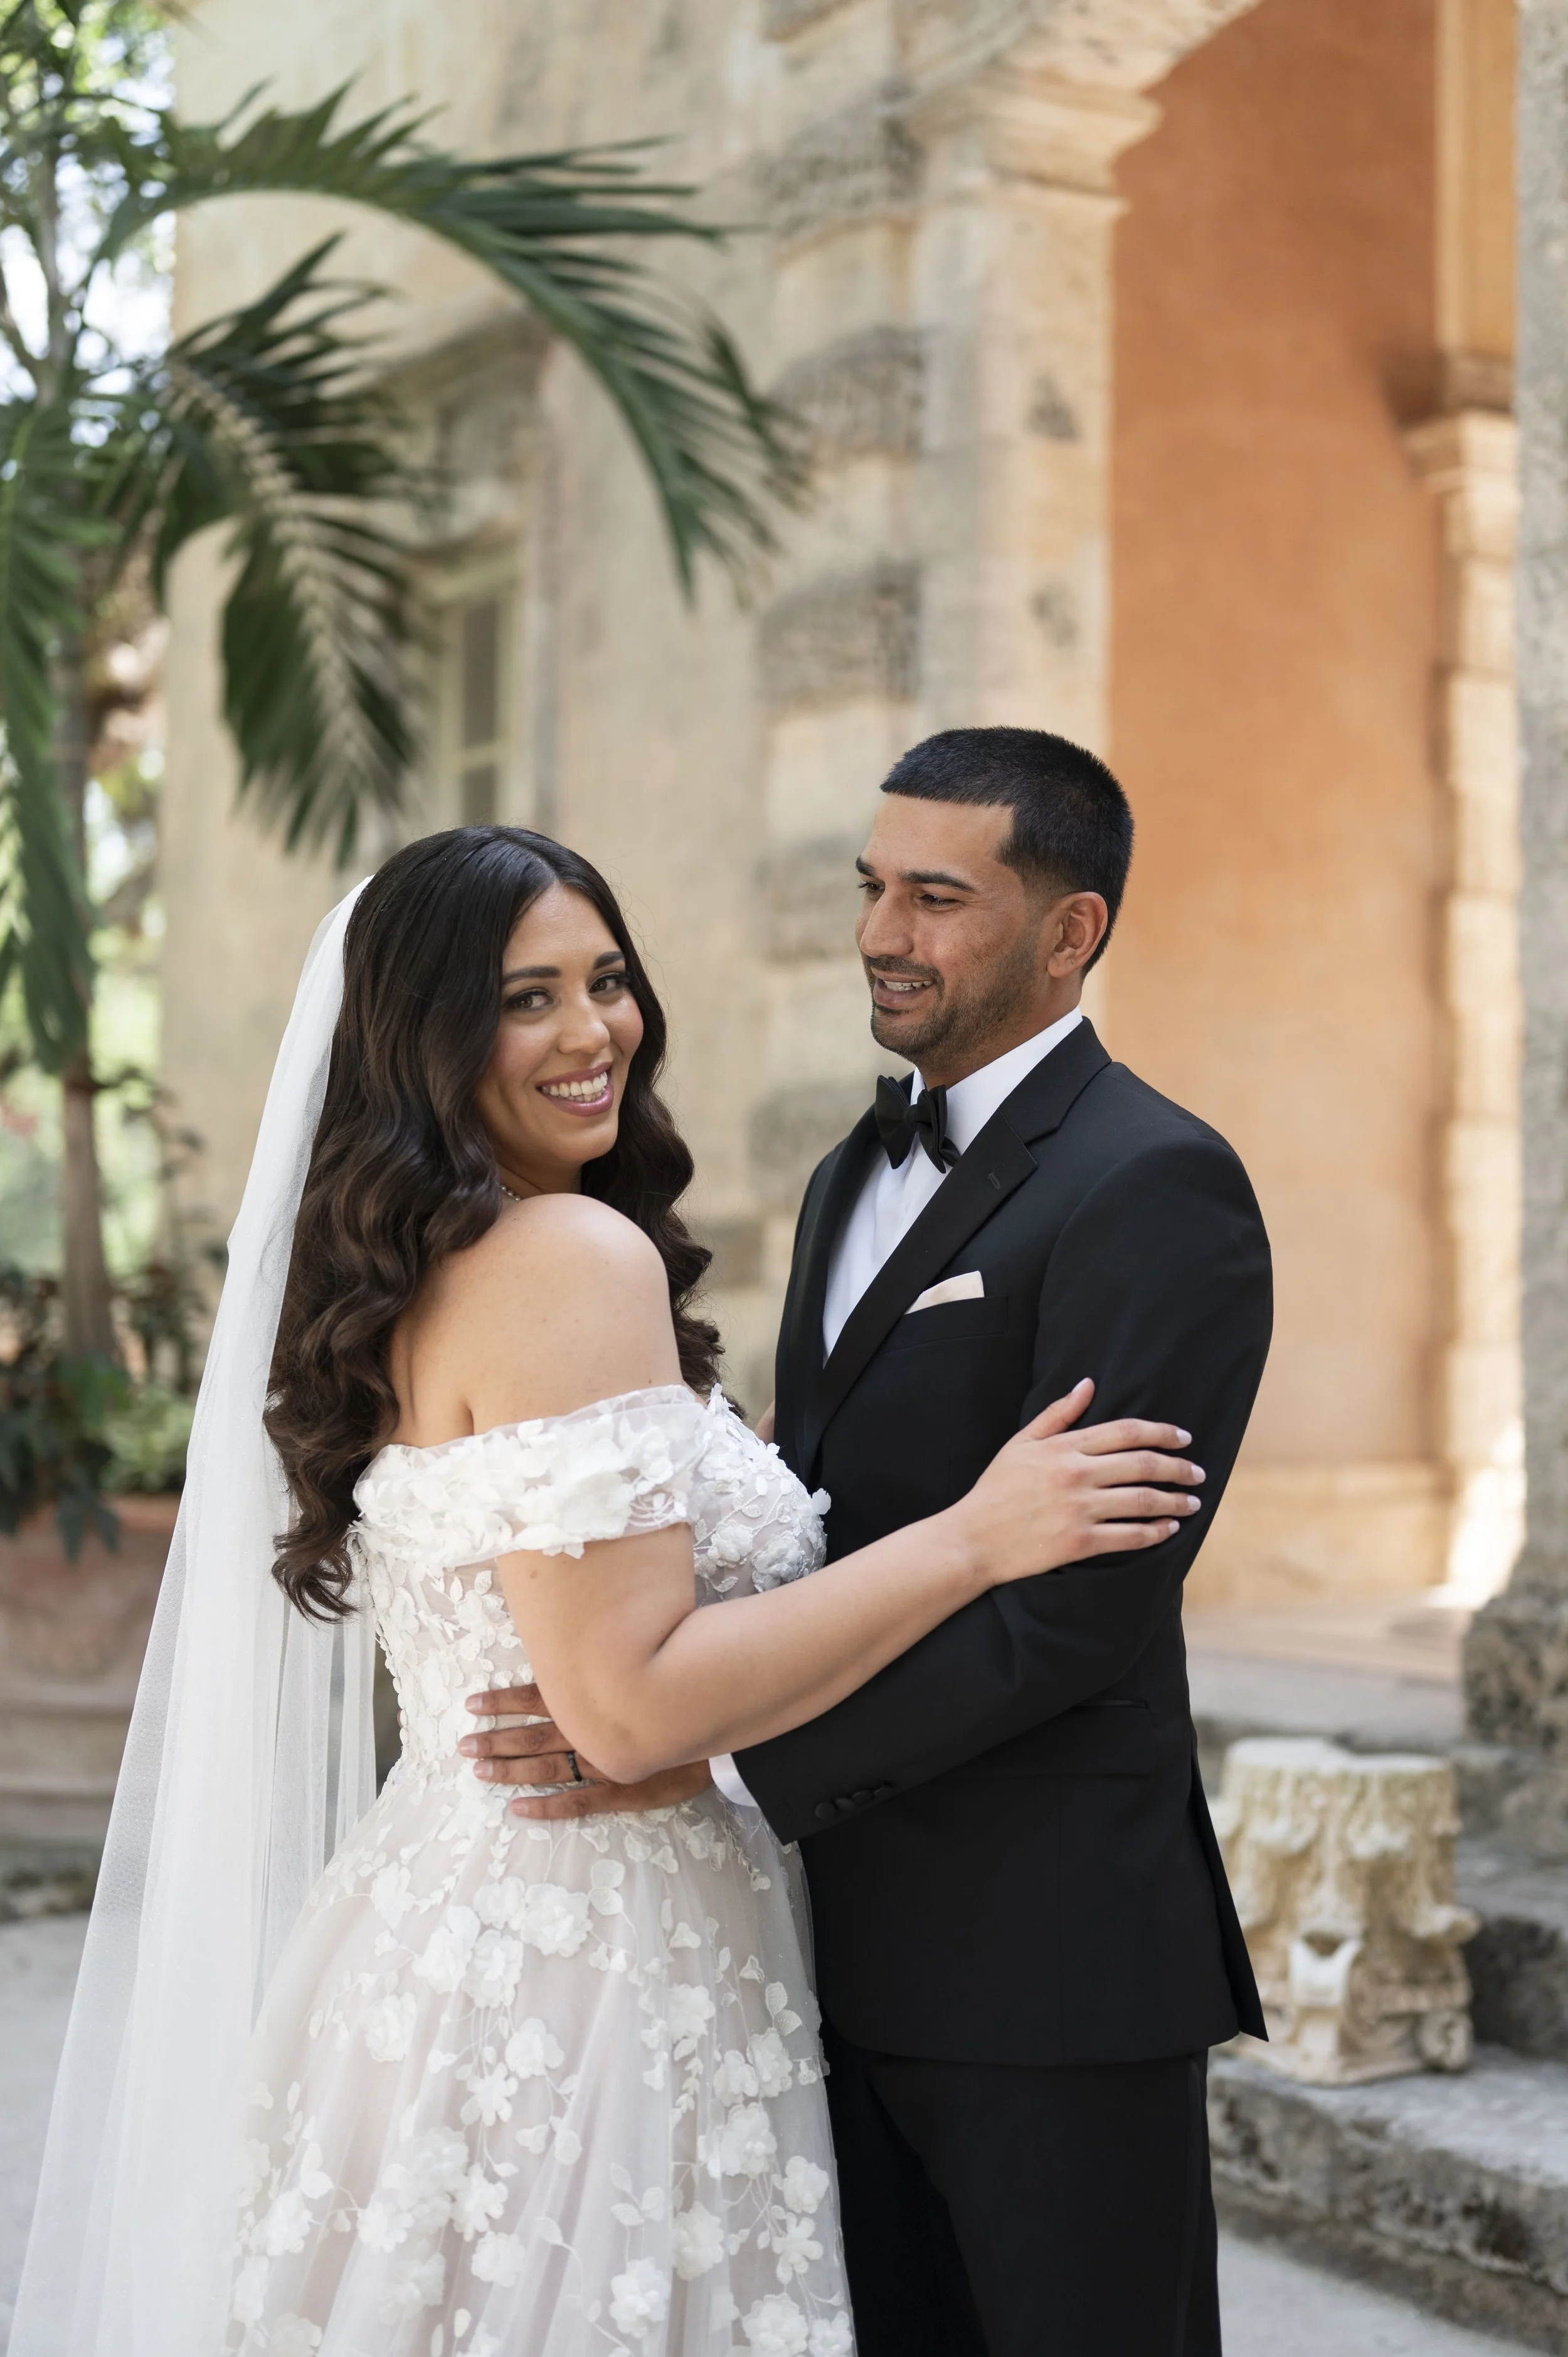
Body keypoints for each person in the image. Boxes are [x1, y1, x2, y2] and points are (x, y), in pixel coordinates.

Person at [13, 822, 1202, 2357]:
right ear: (424, 1035)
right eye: (525, 999)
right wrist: (975, 1535)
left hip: (455, 1919)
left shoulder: (424, 1262)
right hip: (591, 1961)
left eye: (607, 981)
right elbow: (628, 1709)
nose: (592, 1033)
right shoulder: (569, 1258)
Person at [468, 733, 1274, 2357]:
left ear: (1069, 931)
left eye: (935, 899)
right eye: (869, 887)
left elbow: (1075, 1617)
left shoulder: (1155, 1182)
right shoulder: (850, 1170)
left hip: (1041, 1955)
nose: (878, 934)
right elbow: (823, 1508)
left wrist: (713, 1758)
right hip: (812, 1949)